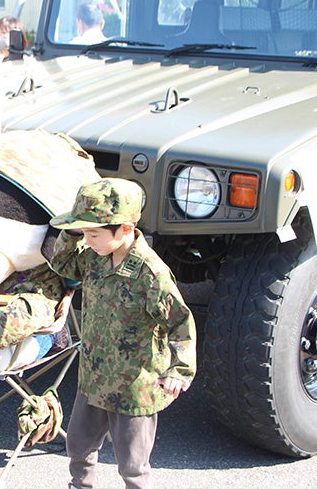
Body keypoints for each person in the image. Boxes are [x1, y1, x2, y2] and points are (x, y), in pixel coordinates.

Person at [48, 178, 197, 489]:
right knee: (78, 446)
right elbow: (62, 263)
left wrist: (179, 370)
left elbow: (180, 323)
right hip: (94, 379)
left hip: (133, 387)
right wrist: (73, 231)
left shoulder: (150, 273)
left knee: (132, 464)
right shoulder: (95, 258)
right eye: (84, 233)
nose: (88, 240)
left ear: (125, 228)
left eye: (94, 234)